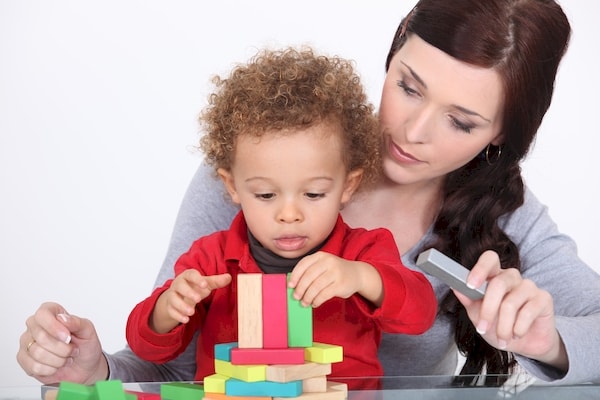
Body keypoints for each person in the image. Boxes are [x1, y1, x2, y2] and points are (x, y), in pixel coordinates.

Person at [17, 0, 600, 388]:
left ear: (502, 135)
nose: (412, 132)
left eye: (462, 122)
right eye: (408, 86)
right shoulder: (263, 166)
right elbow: (167, 360)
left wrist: (544, 340)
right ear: (391, 55)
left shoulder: (507, 214)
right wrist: (92, 372)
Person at [123, 47, 437, 388]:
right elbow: (147, 348)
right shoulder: (211, 259)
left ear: (348, 186)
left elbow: (420, 313)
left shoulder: (363, 251)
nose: (289, 215)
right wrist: (169, 308)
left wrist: (362, 278)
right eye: (266, 195)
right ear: (232, 187)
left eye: (314, 194)